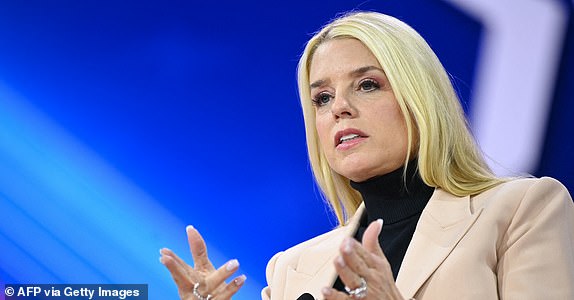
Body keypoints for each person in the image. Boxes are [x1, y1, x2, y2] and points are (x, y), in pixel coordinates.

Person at [159, 11, 574, 299]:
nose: (339, 107)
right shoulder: (291, 269)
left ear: (419, 99)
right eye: (322, 97)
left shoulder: (521, 211)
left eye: (367, 84)